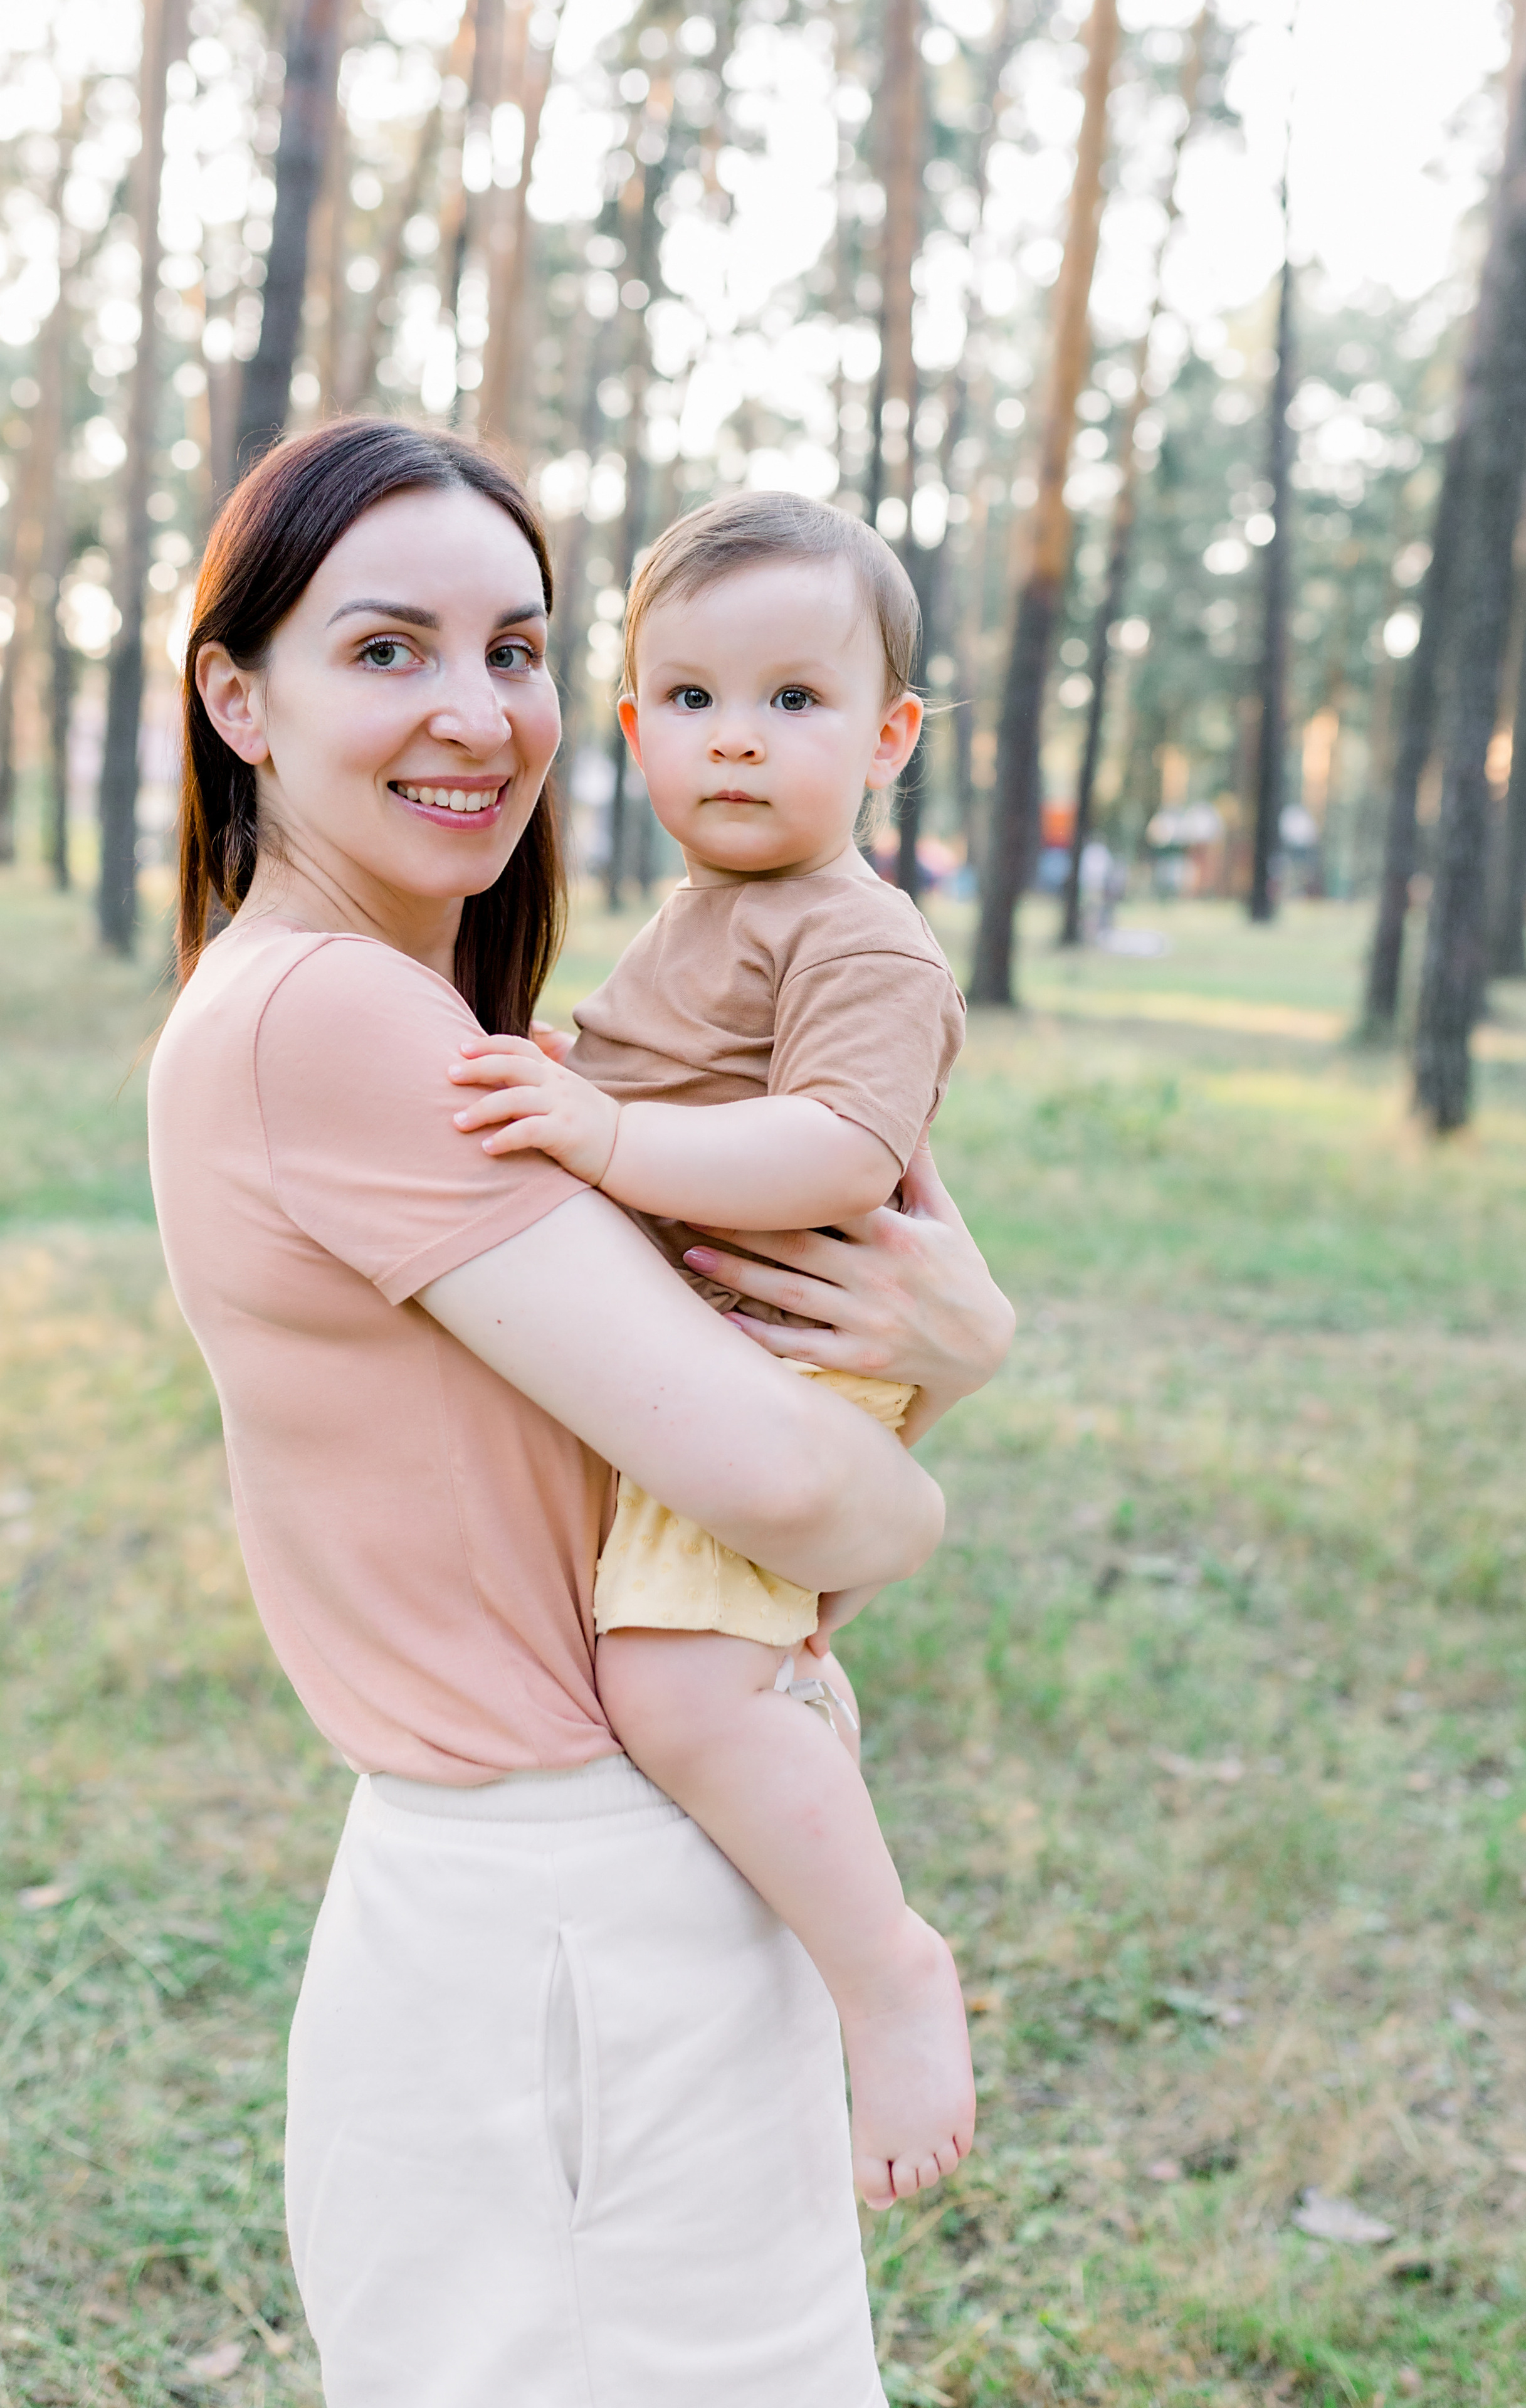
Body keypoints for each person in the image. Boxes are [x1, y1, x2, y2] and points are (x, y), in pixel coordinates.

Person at [145, 418, 1013, 2408]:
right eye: (387, 650)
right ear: (235, 696)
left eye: (516, 649)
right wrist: (938, 1425)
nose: (476, 713)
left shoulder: (425, 1021)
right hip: (571, 1916)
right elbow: (801, 1493)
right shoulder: (335, 1016)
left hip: (581, 1899)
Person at [446, 492, 976, 2211]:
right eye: (688, 701)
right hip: (712, 1338)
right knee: (718, 1667)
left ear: (890, 736)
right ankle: (790, 1721)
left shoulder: (859, 933)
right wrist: (564, 1074)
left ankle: (888, 1967)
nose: (734, 742)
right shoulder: (695, 921)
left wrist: (599, 1139)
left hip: (795, 1349)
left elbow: (831, 1148)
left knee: (673, 1684)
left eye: (794, 702)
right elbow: (633, 1067)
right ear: (631, 727)